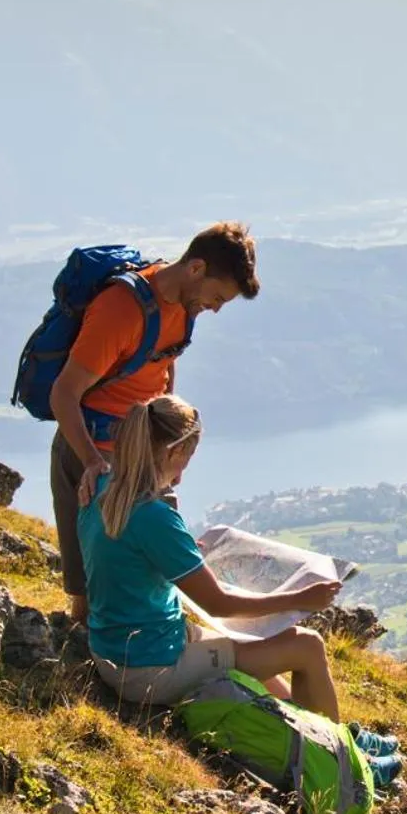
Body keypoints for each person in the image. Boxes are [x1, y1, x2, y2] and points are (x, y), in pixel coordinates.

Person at [79, 394, 350, 715]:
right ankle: (341, 756)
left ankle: (310, 727)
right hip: (150, 669)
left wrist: (184, 553)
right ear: (175, 451)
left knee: (254, 650)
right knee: (307, 646)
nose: (180, 476)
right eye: (186, 460)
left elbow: (130, 557)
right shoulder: (154, 517)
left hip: (125, 647)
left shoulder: (99, 485)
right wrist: (302, 598)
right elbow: (219, 604)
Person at [51, 221, 260, 624]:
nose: (215, 308)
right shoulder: (121, 310)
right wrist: (93, 463)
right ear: (196, 268)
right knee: (91, 591)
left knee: (156, 575)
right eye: (217, 297)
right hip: (92, 451)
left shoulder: (182, 307)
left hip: (143, 454)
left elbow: (164, 366)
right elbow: (63, 394)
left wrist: (169, 446)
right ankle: (87, 676)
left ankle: (146, 666)